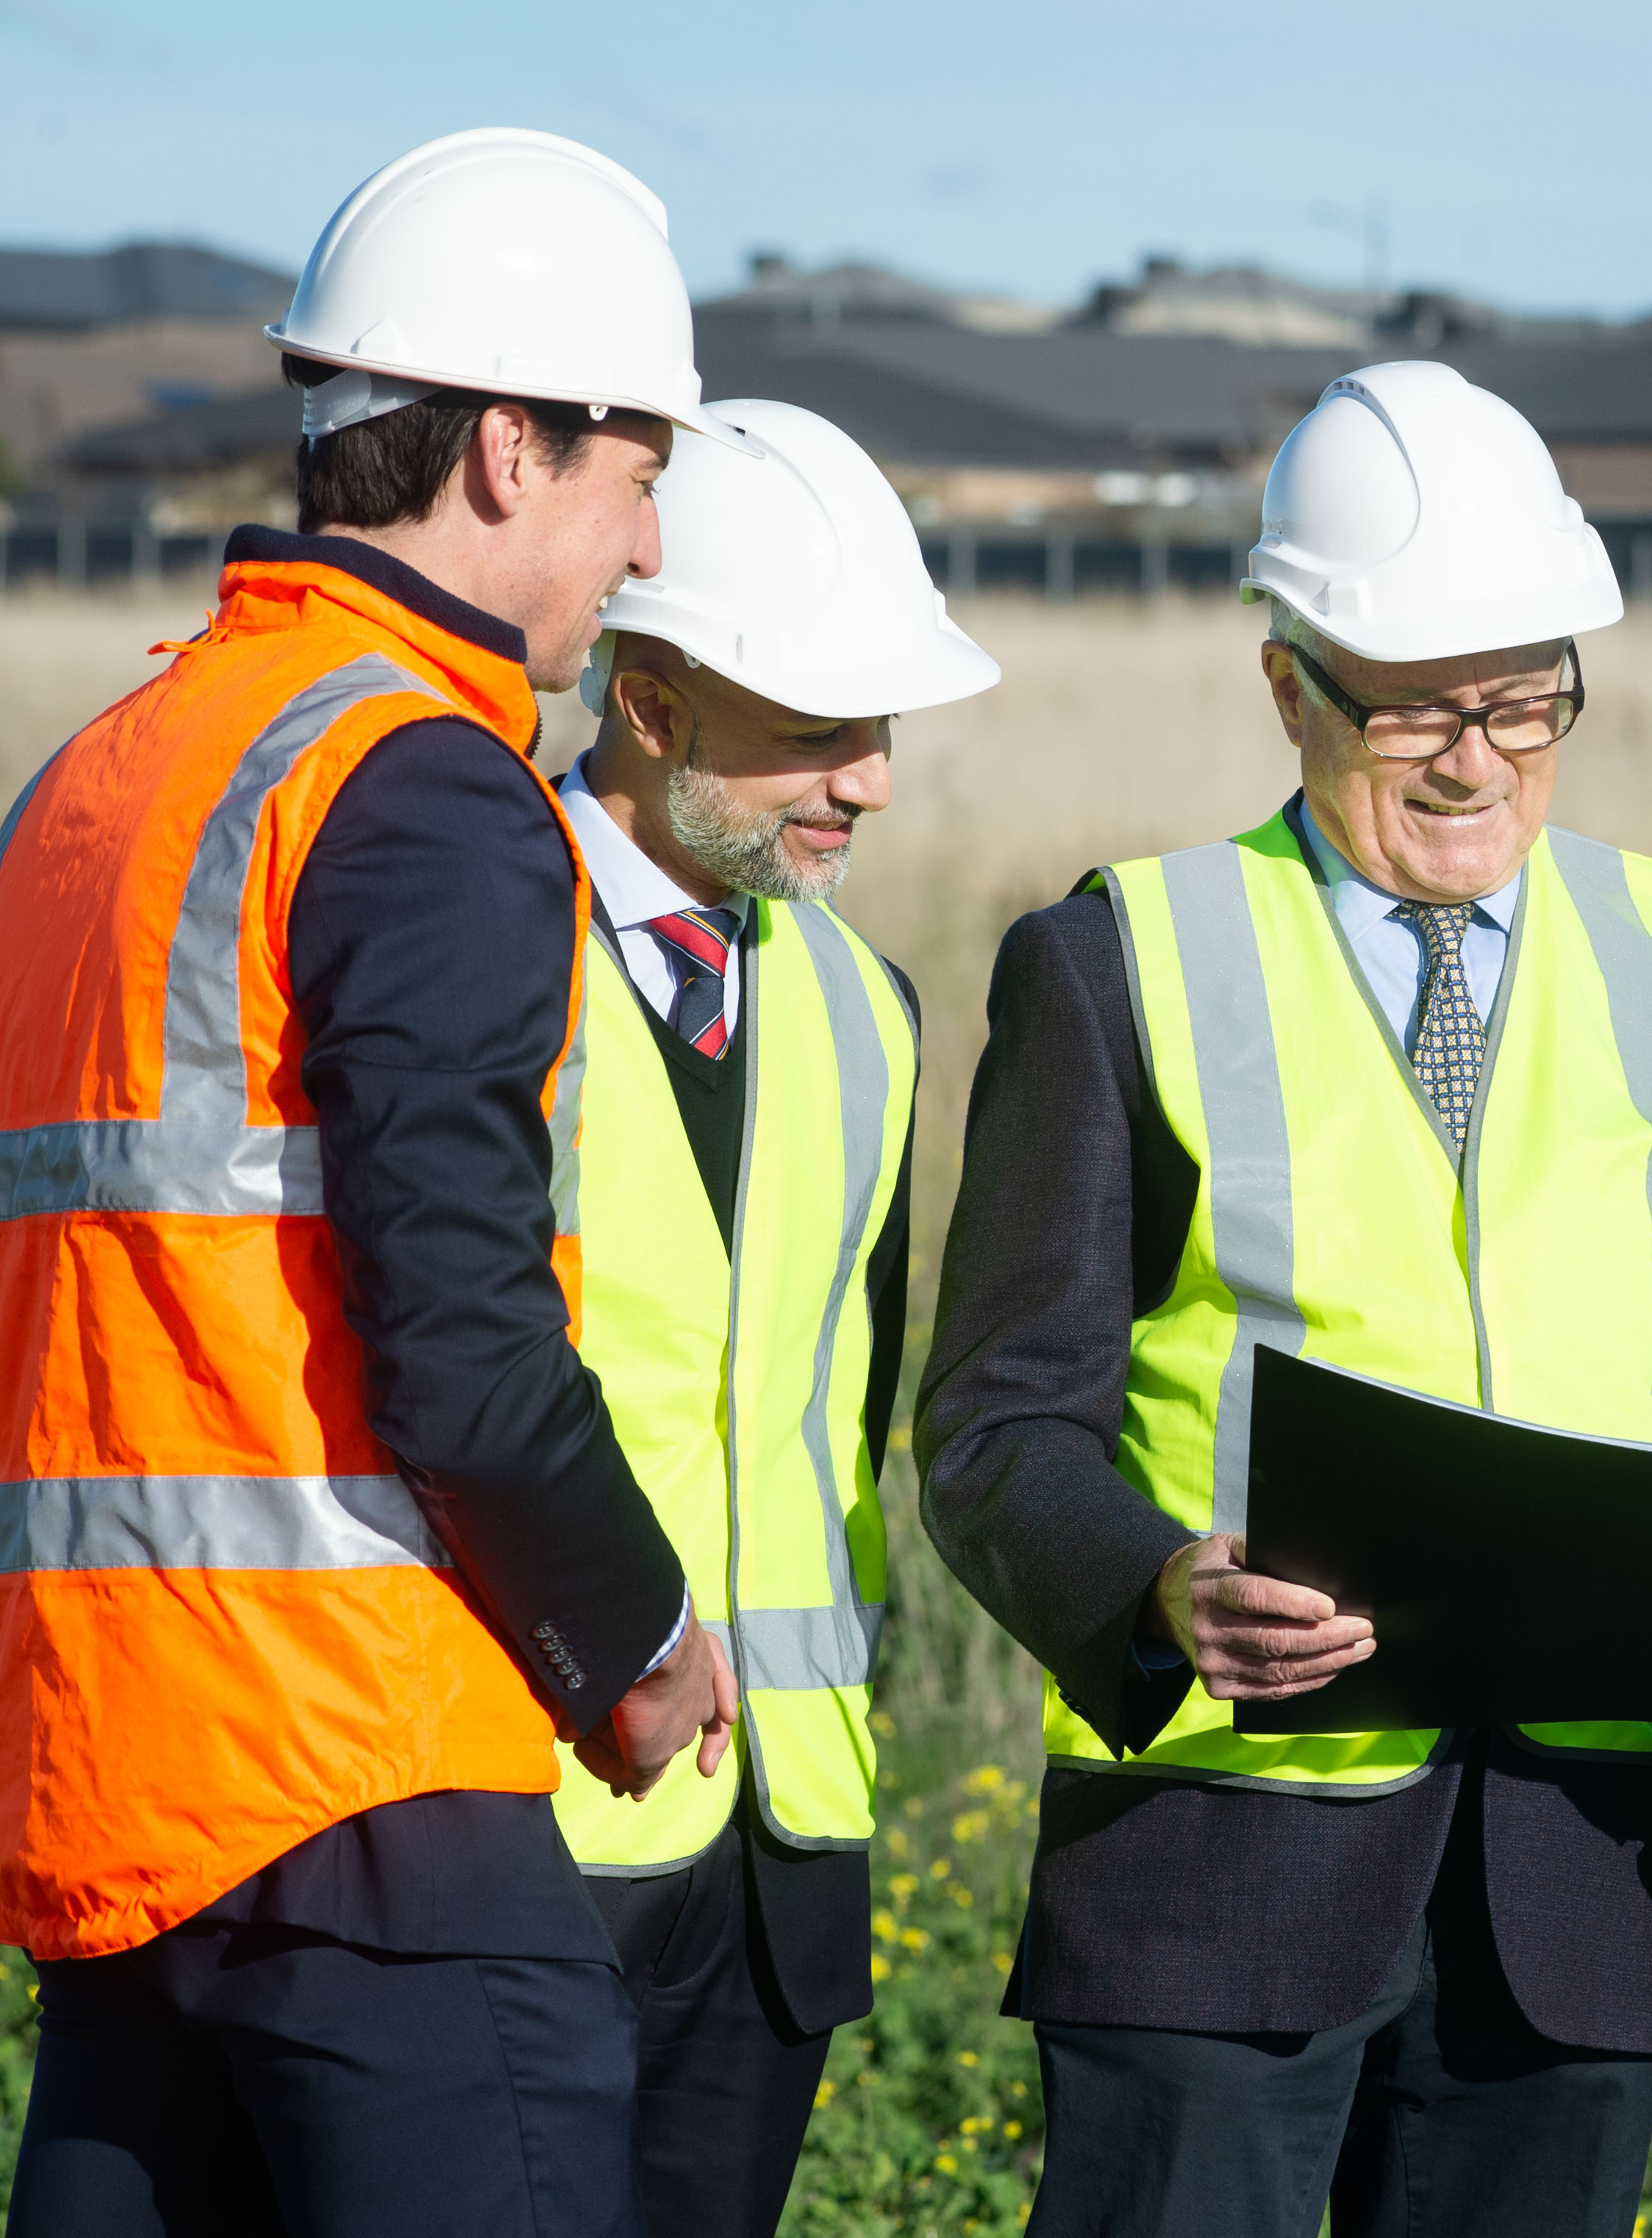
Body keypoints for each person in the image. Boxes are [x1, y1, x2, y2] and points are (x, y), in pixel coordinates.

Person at [918, 360, 1652, 2238]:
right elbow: (995, 1420)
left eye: (1528, 703)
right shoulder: (1116, 960)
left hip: (1579, 1882)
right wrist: (1148, 1587)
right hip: (1212, 1871)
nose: (1478, 760)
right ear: (1286, 685)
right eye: (1420, 710)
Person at [0, 127, 749, 2234]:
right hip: (363, 1799)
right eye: (635, 470)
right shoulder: (416, 780)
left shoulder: (97, 781)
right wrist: (641, 1630)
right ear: (509, 448)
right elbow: (468, 1346)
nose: (649, 545)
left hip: (119, 1795)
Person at [548, 397, 1000, 2235]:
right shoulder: (479, 933)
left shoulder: (869, 1008)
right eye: (821, 729)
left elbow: (844, 1416)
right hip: (520, 1828)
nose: (872, 779)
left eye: (878, 729)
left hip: (776, 1852)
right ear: (649, 704)